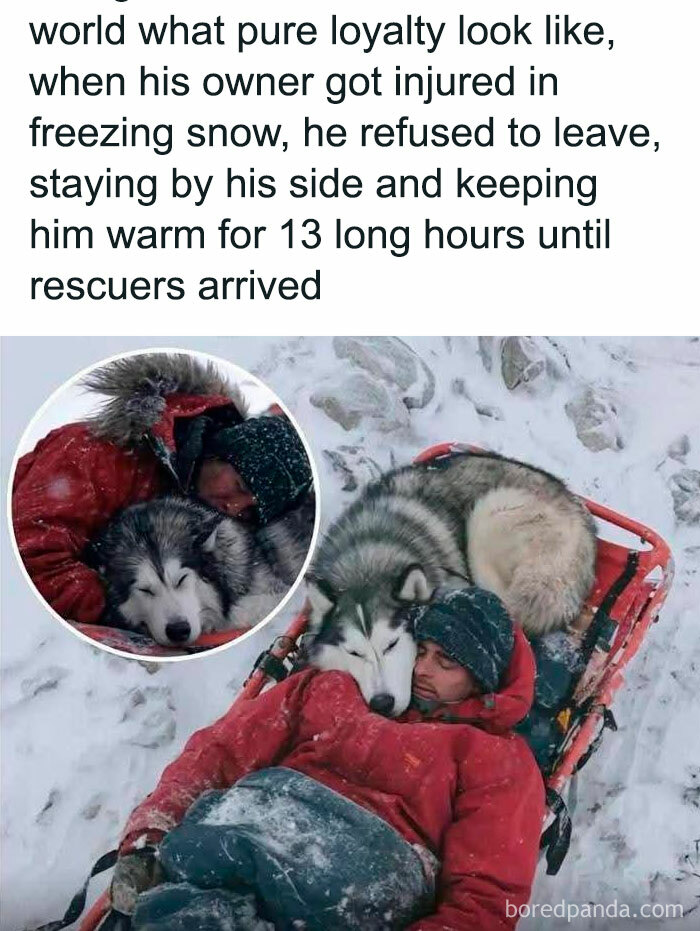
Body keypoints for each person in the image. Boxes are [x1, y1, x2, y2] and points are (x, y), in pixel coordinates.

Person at [111, 587, 545, 930]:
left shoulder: (497, 757)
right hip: (256, 820)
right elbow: (220, 752)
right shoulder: (331, 688)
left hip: (364, 870)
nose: (421, 669)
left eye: (446, 662)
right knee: (193, 883)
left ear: (480, 679)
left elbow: (485, 895)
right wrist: (151, 832)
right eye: (422, 651)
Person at [11, 353, 314, 625]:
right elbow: (28, 558)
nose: (233, 508)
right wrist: (118, 607)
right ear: (220, 451)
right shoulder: (93, 453)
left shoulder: (187, 498)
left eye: (249, 510)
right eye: (239, 485)